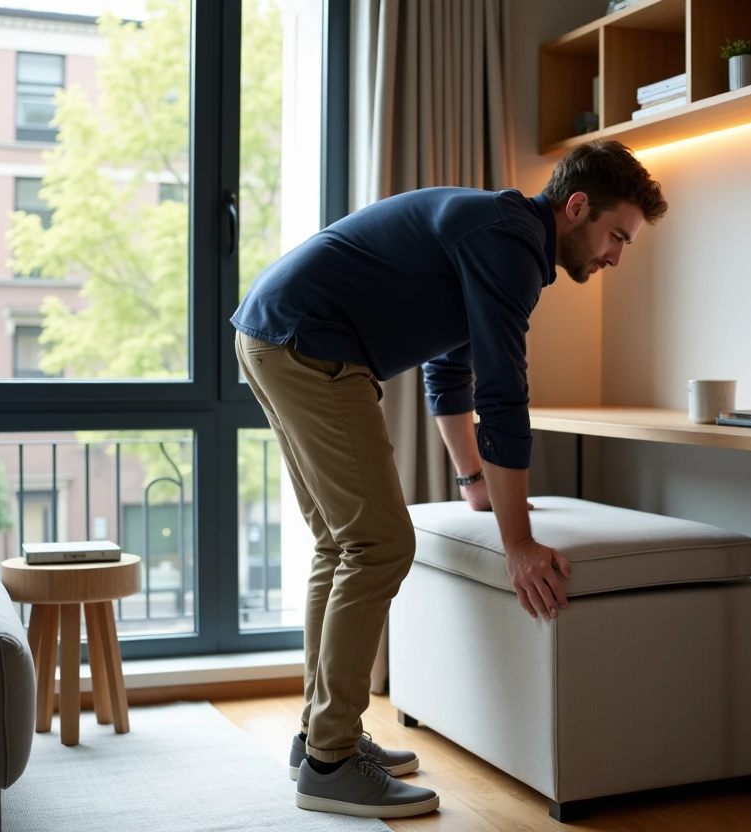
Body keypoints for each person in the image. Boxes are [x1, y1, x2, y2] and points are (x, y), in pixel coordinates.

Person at [230, 140, 668, 819]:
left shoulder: (498, 235)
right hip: (311, 342)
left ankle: (320, 738)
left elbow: (450, 369)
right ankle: (331, 761)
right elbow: (501, 392)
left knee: (341, 545)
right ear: (577, 207)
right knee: (378, 545)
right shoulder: (511, 243)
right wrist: (518, 543)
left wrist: (472, 477)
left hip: (277, 332)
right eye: (617, 236)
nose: (616, 256)